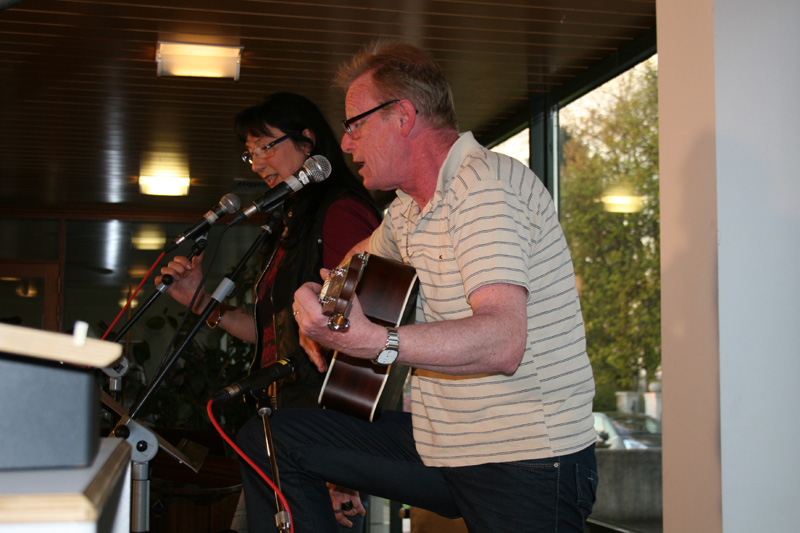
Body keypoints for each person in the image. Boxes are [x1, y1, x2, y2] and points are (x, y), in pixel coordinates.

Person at [236, 41, 599, 532]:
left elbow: (503, 341)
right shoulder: (408, 211)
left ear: (402, 116)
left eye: (354, 125)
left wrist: (374, 341)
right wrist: (324, 303)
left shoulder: (485, 186)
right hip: (443, 447)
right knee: (270, 439)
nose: (344, 145)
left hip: (526, 457)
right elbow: (354, 258)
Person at [156, 92, 380, 531]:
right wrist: (200, 302)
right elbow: (275, 333)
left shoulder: (340, 213)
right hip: (280, 423)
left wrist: (343, 468)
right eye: (251, 152)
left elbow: (362, 334)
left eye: (267, 146)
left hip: (319, 429)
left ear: (308, 141)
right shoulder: (290, 222)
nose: (257, 163)